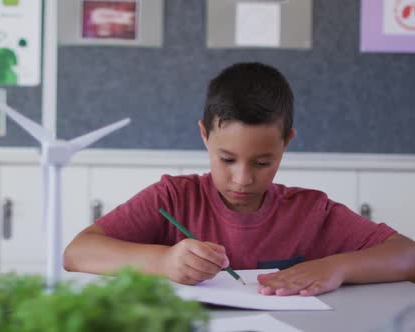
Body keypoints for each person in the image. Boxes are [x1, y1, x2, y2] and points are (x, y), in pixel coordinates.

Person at [64, 62, 415, 296]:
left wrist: (336, 267)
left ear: (286, 143)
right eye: (227, 159)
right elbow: (77, 253)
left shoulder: (311, 211)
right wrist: (162, 261)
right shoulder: (172, 197)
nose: (243, 179)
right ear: (205, 136)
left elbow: (407, 255)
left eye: (263, 162)